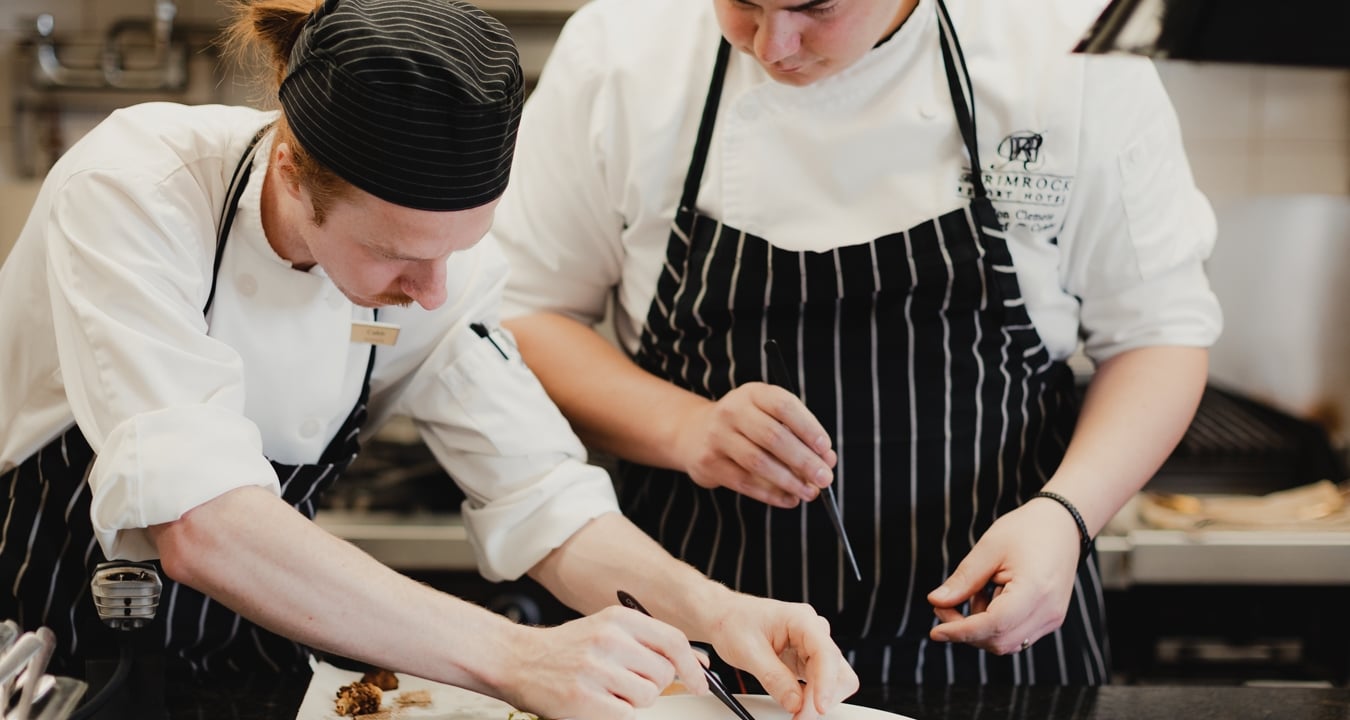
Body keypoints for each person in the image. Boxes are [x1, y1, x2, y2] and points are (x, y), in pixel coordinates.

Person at [0, 0, 859, 717]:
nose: (436, 293)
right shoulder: (135, 189)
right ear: (293, 171)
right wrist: (519, 658)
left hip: (245, 665)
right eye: (399, 257)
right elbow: (202, 524)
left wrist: (718, 610)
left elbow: (541, 496)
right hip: (49, 656)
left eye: (458, 252)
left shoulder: (439, 269)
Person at [493, 0, 1223, 686]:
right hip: (691, 647)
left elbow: (1158, 334)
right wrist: (682, 426)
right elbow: (523, 311)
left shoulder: (1064, 45)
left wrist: (1067, 514)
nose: (770, 45)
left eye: (815, 7)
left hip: (999, 640)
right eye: (742, 2)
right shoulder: (621, 51)